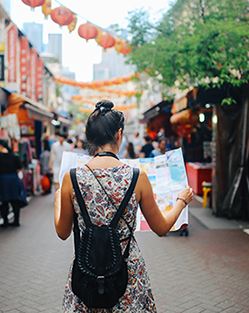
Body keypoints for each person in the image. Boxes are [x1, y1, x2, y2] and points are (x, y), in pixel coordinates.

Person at [54, 100, 193, 312]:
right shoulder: (137, 177)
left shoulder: (71, 178)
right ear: (119, 135)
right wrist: (181, 201)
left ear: (90, 137)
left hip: (87, 272)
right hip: (127, 275)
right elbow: (162, 227)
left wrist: (57, 202)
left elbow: (63, 232)